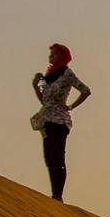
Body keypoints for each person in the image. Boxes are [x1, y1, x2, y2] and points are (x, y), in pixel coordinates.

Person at [31, 43, 91, 202]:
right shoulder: (48, 76)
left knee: (57, 157)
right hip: (46, 119)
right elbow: (45, 100)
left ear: (62, 56)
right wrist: (36, 84)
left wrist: (71, 106)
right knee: (49, 157)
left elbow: (85, 91)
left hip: (60, 120)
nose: (51, 57)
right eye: (51, 54)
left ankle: (58, 195)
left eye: (54, 54)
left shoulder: (66, 73)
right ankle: (54, 195)